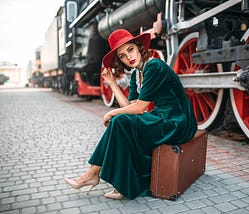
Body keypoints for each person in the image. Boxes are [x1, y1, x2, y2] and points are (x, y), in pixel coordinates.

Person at [64, 29, 197, 200]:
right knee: (121, 122)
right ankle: (104, 177)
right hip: (161, 117)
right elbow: (130, 107)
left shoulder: (154, 66)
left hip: (178, 121)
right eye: (122, 55)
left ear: (139, 47)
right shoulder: (136, 74)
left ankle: (95, 174)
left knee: (119, 121)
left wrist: (112, 112)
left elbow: (140, 108)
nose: (128, 57)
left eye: (130, 49)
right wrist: (112, 83)